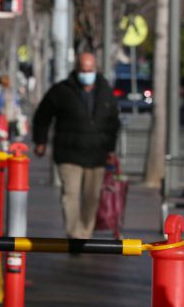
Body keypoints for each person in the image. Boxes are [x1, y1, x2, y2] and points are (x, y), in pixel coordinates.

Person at [31, 52, 120, 238]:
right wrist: (40, 141)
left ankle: (85, 234)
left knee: (91, 198)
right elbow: (43, 114)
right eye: (83, 69)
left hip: (97, 155)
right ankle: (75, 236)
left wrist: (111, 149)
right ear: (77, 69)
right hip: (69, 154)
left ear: (95, 69)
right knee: (70, 195)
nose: (87, 73)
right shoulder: (61, 91)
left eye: (90, 70)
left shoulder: (105, 91)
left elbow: (113, 123)